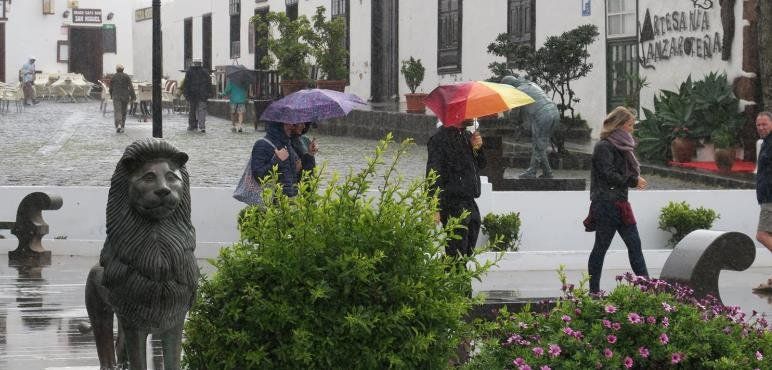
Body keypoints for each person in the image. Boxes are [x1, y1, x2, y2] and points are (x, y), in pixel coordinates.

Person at [586, 106, 649, 293]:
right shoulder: (604, 147)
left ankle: (648, 289)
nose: (632, 129)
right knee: (601, 247)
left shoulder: (622, 147)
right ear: (619, 125)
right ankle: (594, 291)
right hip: (606, 205)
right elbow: (608, 174)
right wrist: (633, 180)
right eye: (629, 125)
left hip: (620, 203)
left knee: (635, 246)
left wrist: (632, 181)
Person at [426, 119, 486, 262]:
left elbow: (481, 164)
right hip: (452, 203)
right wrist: (434, 206)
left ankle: (442, 270)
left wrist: (478, 149)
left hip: (470, 201)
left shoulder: (466, 136)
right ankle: (456, 280)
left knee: (466, 250)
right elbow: (433, 173)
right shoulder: (439, 139)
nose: (471, 115)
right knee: (457, 252)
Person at [500, 75, 560, 179]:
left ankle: (533, 172)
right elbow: (525, 113)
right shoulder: (531, 85)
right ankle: (547, 172)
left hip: (543, 115)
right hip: (554, 112)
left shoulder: (518, 91)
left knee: (539, 145)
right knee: (540, 145)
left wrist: (505, 110)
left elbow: (514, 115)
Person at [251, 121, 302, 197]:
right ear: (278, 124)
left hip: (289, 200)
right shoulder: (262, 144)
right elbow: (258, 175)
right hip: (272, 202)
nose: (292, 126)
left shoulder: (287, 144)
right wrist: (277, 161)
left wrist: (309, 155)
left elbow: (290, 175)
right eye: (287, 123)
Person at [753, 111, 772, 292]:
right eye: (758, 125)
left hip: (770, 198)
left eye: (764, 124)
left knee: (762, 235)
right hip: (766, 197)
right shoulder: (766, 143)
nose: (761, 128)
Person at [183, 58, 211, 133]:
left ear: (194, 63)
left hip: (192, 95)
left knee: (192, 110)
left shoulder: (189, 72)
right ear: (200, 63)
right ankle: (202, 127)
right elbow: (209, 84)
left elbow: (186, 84)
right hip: (202, 94)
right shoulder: (205, 72)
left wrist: (186, 94)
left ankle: (193, 126)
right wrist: (208, 93)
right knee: (202, 110)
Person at [108, 64, 136, 133]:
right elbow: (131, 87)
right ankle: (122, 126)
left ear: (116, 70)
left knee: (118, 111)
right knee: (123, 111)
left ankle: (119, 125)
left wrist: (111, 95)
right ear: (123, 69)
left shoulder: (113, 77)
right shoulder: (126, 76)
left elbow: (110, 88)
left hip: (116, 96)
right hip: (125, 96)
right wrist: (133, 96)